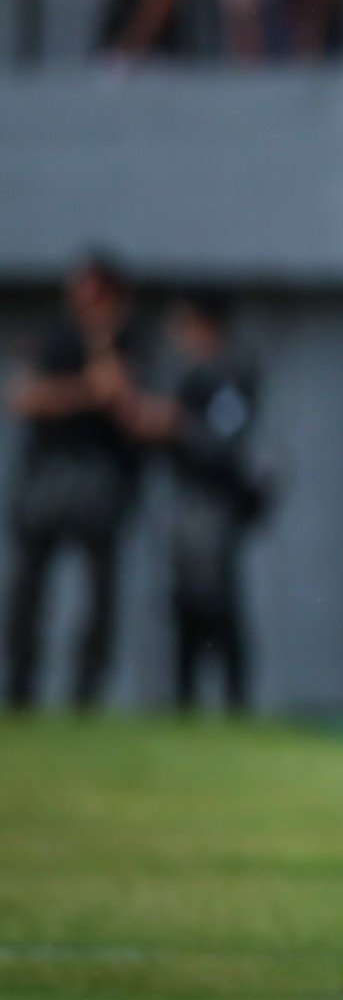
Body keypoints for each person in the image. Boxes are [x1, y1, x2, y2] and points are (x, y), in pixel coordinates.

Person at [5, 255, 150, 711]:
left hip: (101, 476)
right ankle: (20, 689)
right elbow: (26, 398)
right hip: (49, 473)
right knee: (27, 588)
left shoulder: (128, 342)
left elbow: (131, 408)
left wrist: (105, 349)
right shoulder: (54, 338)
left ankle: (85, 695)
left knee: (100, 595)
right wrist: (88, 390)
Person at [160, 291, 267, 711]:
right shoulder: (188, 374)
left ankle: (234, 699)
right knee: (185, 602)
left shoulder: (231, 373)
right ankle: (184, 698)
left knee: (217, 602)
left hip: (215, 501)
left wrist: (177, 427)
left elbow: (226, 444)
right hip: (187, 498)